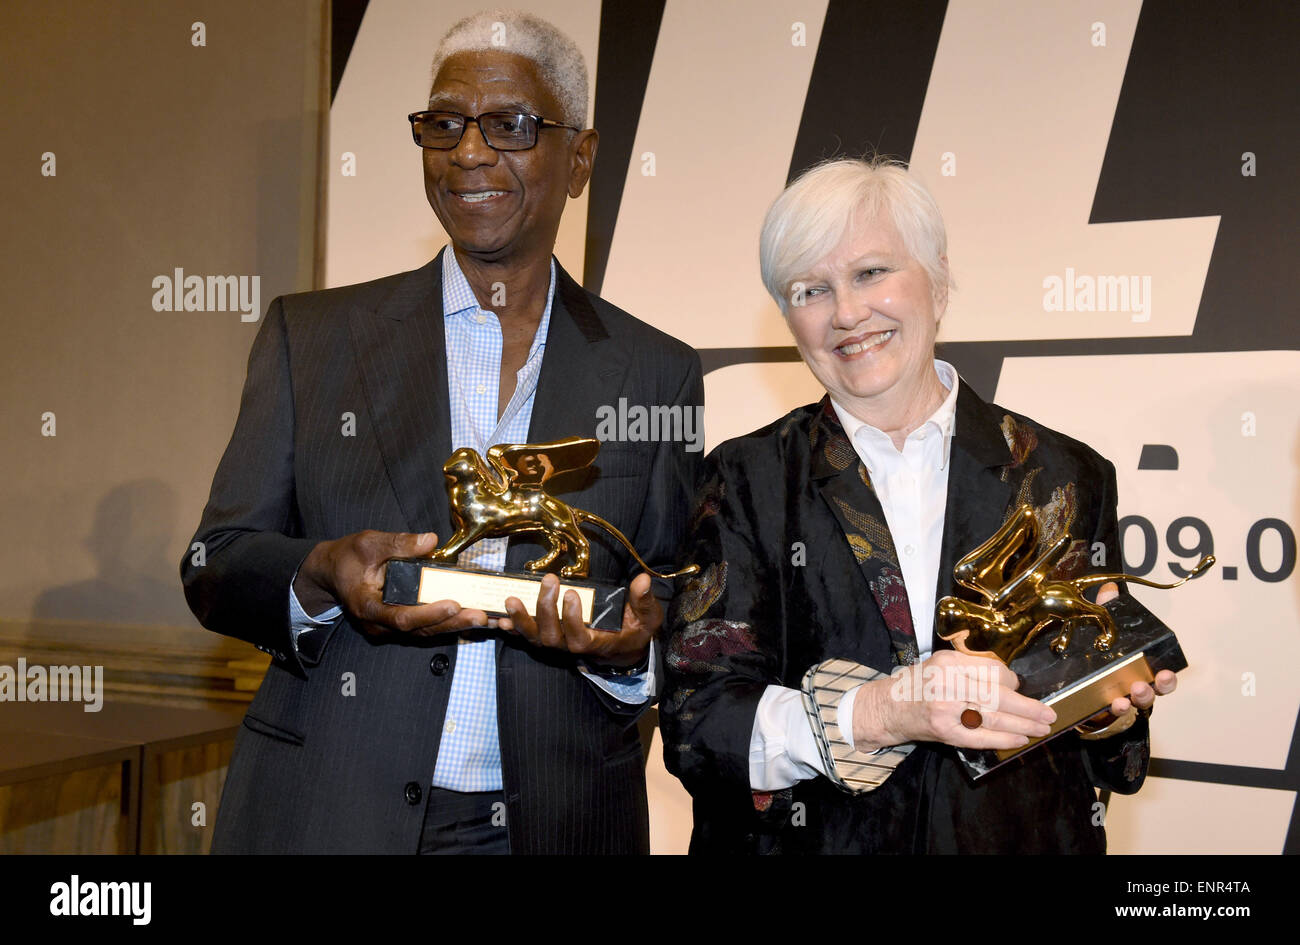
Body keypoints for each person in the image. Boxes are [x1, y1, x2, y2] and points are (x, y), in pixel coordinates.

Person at [182, 10, 702, 854]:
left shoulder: (656, 373)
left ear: (579, 159)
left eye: (510, 125)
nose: (467, 151)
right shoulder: (309, 338)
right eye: (445, 123)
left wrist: (629, 648)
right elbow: (215, 562)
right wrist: (317, 572)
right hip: (328, 815)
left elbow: (677, 597)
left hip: (557, 825)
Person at [658, 158, 1175, 854]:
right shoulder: (744, 479)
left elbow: (1109, 757)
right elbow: (698, 727)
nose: (845, 313)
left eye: (871, 272)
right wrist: (880, 713)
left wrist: (1107, 708)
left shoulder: (1066, 476)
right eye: (810, 289)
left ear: (937, 275)